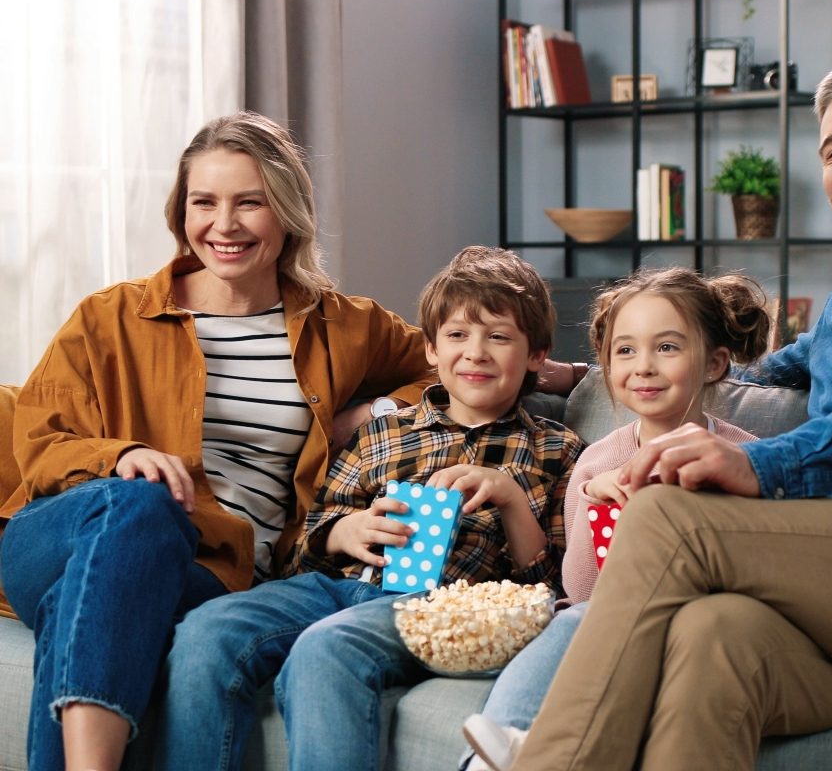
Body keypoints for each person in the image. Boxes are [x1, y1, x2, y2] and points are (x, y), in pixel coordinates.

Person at [505, 57, 832, 771]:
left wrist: (760, 462)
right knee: (715, 636)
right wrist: (571, 375)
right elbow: (727, 367)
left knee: (664, 515)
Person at [0, 111, 435, 771]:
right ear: (182, 213)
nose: (223, 225)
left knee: (84, 602)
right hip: (58, 535)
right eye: (204, 202)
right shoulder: (111, 316)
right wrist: (117, 456)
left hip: (210, 572)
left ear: (286, 212)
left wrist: (373, 406)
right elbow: (37, 441)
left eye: (249, 203)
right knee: (139, 504)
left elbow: (442, 366)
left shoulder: (341, 328)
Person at [153, 245, 585, 771]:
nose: (476, 352)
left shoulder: (555, 449)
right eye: (457, 335)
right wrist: (345, 531)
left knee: (325, 650)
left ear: (537, 355)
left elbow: (555, 588)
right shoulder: (382, 432)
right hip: (334, 586)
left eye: (498, 336)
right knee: (204, 632)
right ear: (430, 348)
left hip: (439, 603)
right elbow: (306, 544)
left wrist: (511, 500)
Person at [461, 266, 772, 771]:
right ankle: (503, 751)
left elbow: (768, 570)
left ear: (715, 363)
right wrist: (593, 503)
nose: (643, 367)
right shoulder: (597, 463)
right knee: (570, 619)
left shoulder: (746, 457)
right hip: (611, 627)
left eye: (667, 348)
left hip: (700, 628)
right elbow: (581, 588)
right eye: (625, 351)